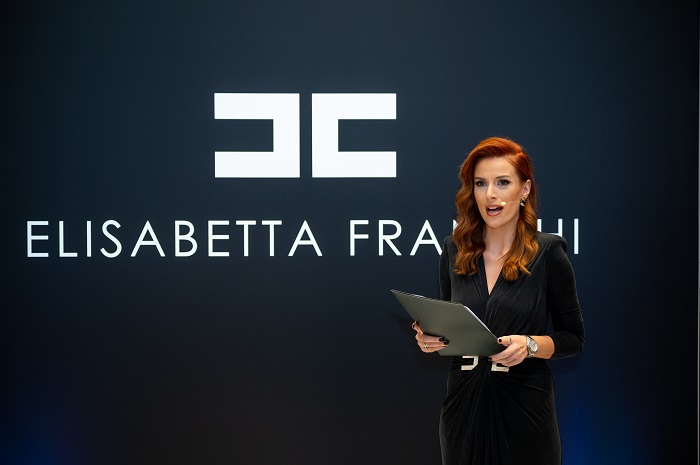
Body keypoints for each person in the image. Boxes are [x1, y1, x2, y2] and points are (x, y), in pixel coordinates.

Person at [412, 136, 585, 465]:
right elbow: (449, 326)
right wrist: (431, 339)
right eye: (481, 183)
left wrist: (529, 345)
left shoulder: (548, 252)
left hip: (525, 406)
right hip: (463, 405)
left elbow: (573, 338)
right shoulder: (453, 249)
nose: (490, 194)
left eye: (502, 182)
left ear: (525, 189)